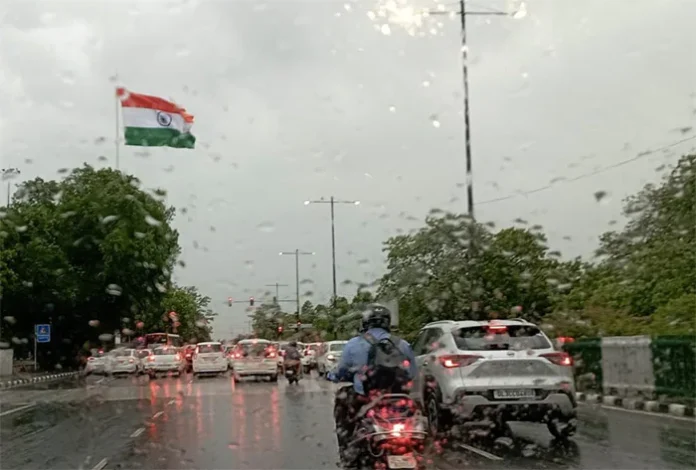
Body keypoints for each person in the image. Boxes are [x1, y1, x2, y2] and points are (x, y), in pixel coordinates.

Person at [327, 303, 417, 466]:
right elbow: (412, 374)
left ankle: (346, 452)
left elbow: (340, 371)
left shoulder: (354, 344)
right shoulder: (403, 344)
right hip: (398, 401)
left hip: (364, 401)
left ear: (365, 322)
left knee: (342, 401)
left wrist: (333, 375)